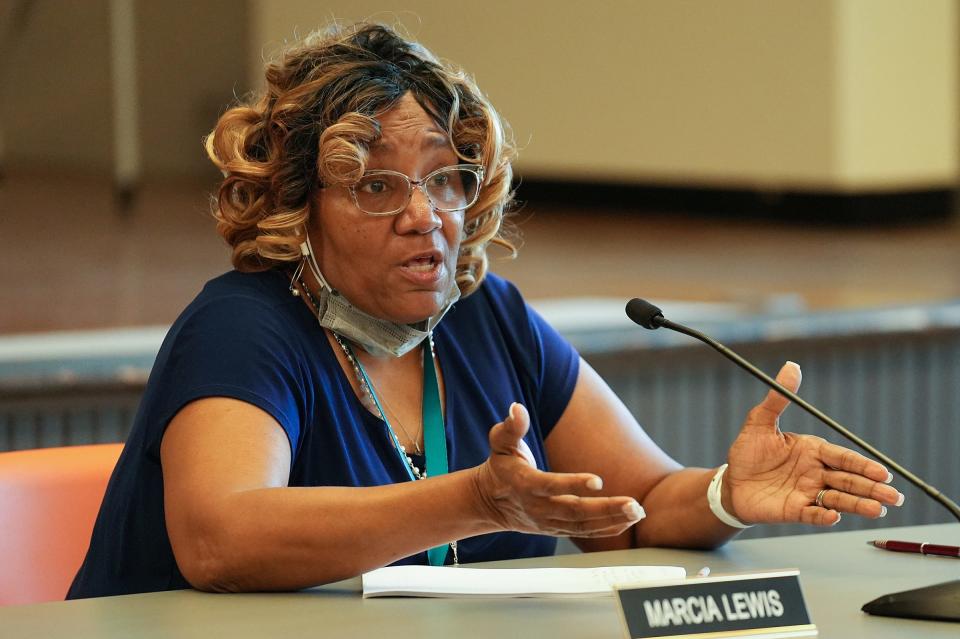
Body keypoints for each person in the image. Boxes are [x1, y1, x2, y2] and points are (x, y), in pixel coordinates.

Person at [67, 23, 903, 599]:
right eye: (377, 186)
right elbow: (222, 538)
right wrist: (478, 499)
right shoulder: (243, 328)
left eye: (445, 178)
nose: (424, 213)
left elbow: (637, 510)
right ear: (297, 207)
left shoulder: (485, 319)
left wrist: (725, 495)